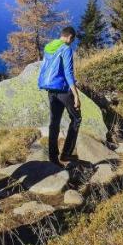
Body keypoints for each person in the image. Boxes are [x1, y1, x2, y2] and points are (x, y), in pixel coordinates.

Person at [37, 26, 80, 165]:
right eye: (72, 40)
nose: (71, 42)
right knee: (76, 118)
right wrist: (76, 95)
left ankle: (53, 156)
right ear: (70, 37)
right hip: (63, 89)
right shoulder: (66, 49)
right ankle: (66, 154)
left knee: (54, 123)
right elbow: (68, 73)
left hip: (50, 90)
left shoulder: (49, 46)